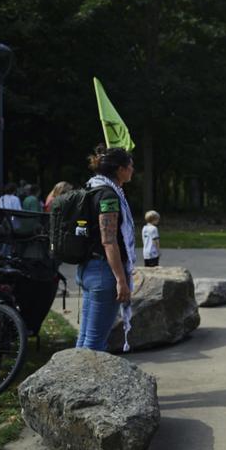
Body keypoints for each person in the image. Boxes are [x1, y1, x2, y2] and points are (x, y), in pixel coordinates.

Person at [76, 144, 136, 352]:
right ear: (120, 169)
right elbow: (108, 241)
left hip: (88, 269)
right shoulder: (109, 196)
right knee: (95, 344)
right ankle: (85, 375)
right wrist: (121, 280)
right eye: (130, 166)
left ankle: (74, 372)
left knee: (85, 339)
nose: (132, 170)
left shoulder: (92, 188)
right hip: (104, 273)